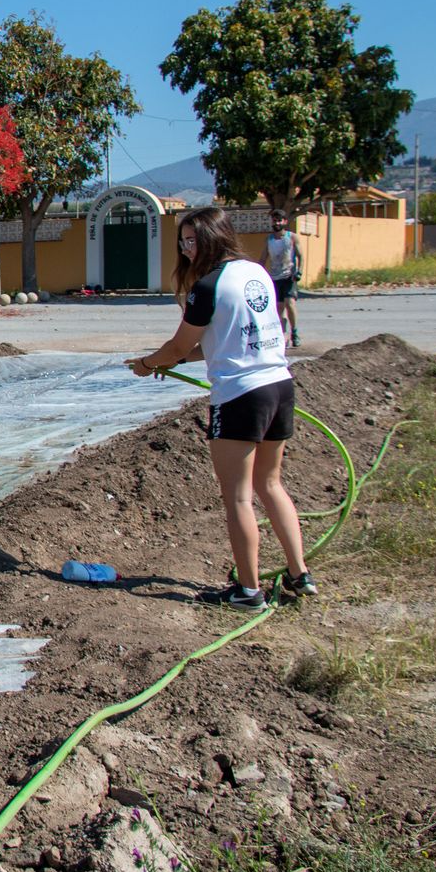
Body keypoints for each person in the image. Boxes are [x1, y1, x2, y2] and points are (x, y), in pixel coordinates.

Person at [128, 206, 317, 610]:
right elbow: (220, 343)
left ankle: (248, 592)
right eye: (182, 242)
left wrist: (148, 363)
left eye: (192, 241)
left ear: (213, 237)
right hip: (279, 386)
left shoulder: (208, 286)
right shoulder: (255, 272)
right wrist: (171, 361)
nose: (186, 249)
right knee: (271, 484)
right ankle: (300, 575)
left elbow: (179, 345)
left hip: (241, 396)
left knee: (238, 497)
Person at [259, 208, 303, 347]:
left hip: (289, 276)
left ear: (285, 221)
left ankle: (294, 332)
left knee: (290, 303)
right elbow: (263, 258)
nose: (277, 223)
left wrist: (299, 271)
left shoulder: (292, 237)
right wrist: (258, 273)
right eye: (274, 220)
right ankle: (282, 334)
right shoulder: (269, 240)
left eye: (279, 220)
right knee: (279, 307)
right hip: (274, 277)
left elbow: (300, 256)